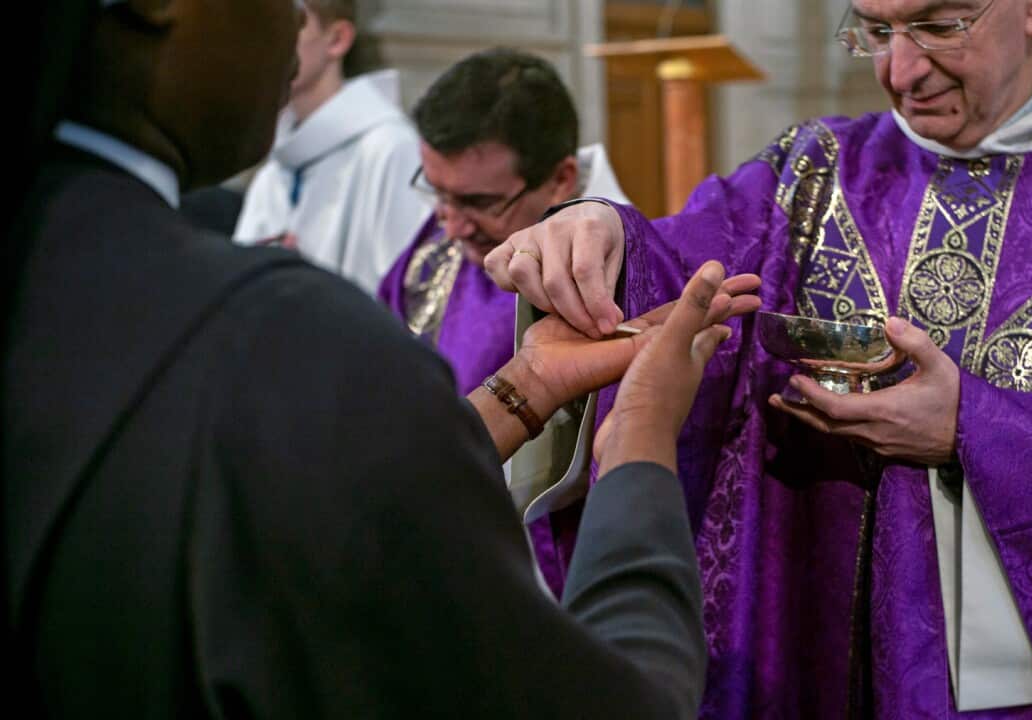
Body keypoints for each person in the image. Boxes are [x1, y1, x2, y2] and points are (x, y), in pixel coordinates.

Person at [487, 1, 1032, 717]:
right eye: (875, 30)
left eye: (939, 25)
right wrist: (598, 231)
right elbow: (681, 260)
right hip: (813, 660)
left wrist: (979, 429)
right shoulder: (817, 165)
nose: (901, 72)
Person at [5, 0, 765, 716]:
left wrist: (524, 385)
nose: (298, 26)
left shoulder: (65, 279)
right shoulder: (273, 337)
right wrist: (638, 431)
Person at [379, 47, 630, 395]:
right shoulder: (439, 240)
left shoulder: (617, 282)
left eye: (480, 203)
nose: (452, 229)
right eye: (439, 194)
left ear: (560, 180)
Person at [233, 0, 428, 294]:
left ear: (337, 39)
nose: (267, 38)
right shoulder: (275, 168)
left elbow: (413, 296)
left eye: (294, 21)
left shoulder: (391, 150)